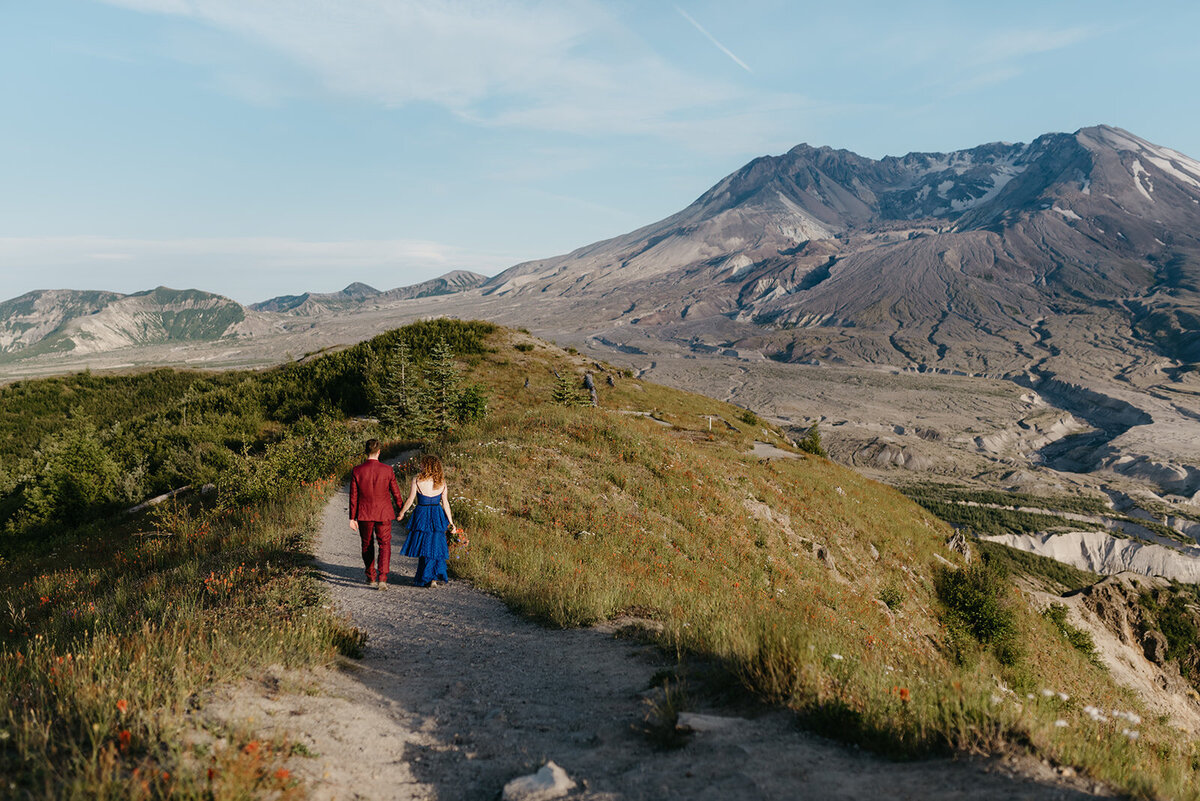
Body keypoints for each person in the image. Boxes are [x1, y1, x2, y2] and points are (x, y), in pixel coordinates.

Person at [349, 438, 404, 589]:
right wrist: (401, 509)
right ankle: (383, 578)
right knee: (384, 544)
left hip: (364, 513)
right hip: (384, 512)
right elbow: (396, 493)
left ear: (366, 451)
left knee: (367, 544)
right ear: (379, 451)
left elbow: (353, 496)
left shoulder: (357, 470)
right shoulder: (387, 470)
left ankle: (371, 575)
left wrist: (352, 518)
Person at [398, 454, 455, 587]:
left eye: (422, 463)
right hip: (437, 514)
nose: (420, 465)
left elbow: (410, 499)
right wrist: (451, 522)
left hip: (422, 514)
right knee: (436, 545)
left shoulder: (417, 479)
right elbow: (445, 503)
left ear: (427, 466)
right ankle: (433, 577)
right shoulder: (441, 482)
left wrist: (402, 512)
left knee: (424, 546)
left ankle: (426, 576)